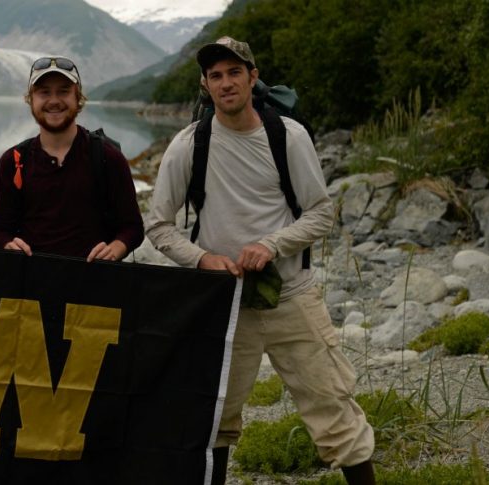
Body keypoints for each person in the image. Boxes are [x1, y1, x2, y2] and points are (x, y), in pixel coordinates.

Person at [144, 37, 376, 485]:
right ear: (205, 86)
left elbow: (321, 212)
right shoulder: (189, 144)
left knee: (334, 410)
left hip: (292, 295)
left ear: (253, 77)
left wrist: (271, 245)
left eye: (235, 72)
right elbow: (159, 225)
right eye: (216, 75)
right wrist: (202, 259)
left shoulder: (287, 136)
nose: (226, 83)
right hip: (224, 304)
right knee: (215, 418)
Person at [0, 56, 143, 260]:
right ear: (31, 99)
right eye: (44, 92)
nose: (54, 101)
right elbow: (0, 230)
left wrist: (116, 248)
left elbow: (133, 227)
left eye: (63, 91)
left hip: (93, 286)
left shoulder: (108, 157)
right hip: (31, 286)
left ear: (77, 97)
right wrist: (7, 244)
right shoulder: (14, 161)